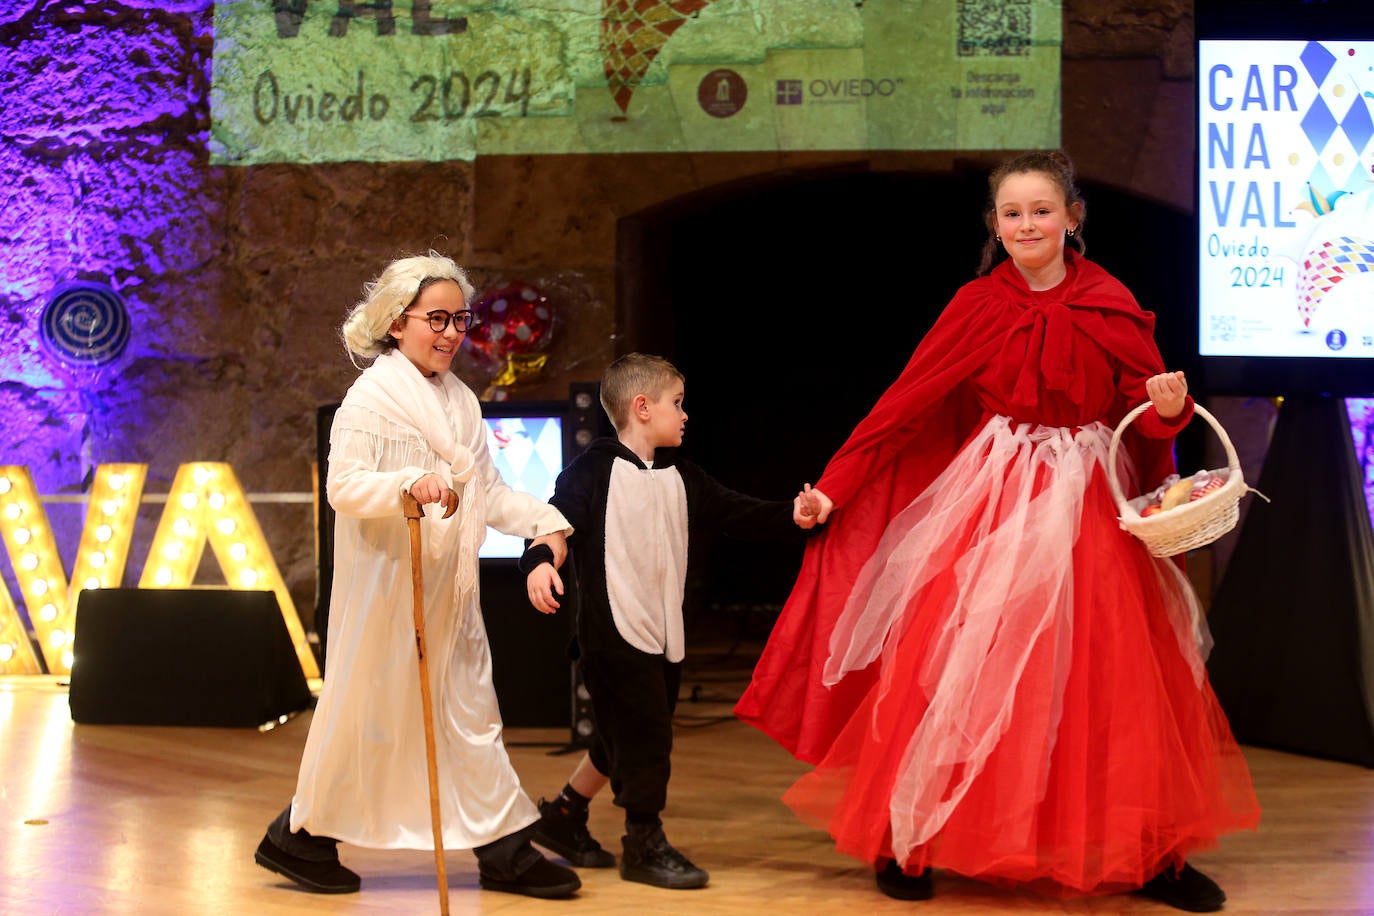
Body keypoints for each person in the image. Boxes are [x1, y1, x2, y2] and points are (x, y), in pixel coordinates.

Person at [735, 152, 1260, 912]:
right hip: (993, 494)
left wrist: (1171, 407)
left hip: (1084, 496)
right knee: (953, 663)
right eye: (1012, 214)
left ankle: (1152, 853)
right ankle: (908, 837)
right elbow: (904, 404)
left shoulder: (1110, 301)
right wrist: (835, 487)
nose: (1027, 225)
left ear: (1072, 217)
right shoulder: (976, 304)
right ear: (994, 226)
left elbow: (1146, 416)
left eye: (1042, 210)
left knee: (1116, 671)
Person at [254, 253, 582, 899]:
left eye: (460, 319)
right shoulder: (371, 399)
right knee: (369, 717)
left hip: (445, 594)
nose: (453, 332)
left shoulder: (459, 400)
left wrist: (546, 521)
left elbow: (485, 491)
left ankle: (501, 846)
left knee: (468, 710)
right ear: (397, 322)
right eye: (438, 318)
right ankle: (299, 836)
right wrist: (408, 481)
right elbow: (344, 486)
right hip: (387, 592)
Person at [517, 353, 820, 890]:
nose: (684, 415)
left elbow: (737, 512)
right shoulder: (592, 470)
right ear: (642, 408)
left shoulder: (685, 477)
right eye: (676, 404)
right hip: (612, 638)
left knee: (621, 736)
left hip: (663, 636)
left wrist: (792, 515)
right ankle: (643, 840)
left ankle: (563, 816)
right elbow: (554, 523)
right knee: (648, 739)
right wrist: (540, 563)